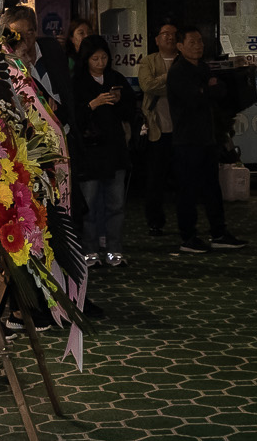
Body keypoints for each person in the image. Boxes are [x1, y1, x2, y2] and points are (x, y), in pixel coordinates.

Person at [165, 27, 246, 253]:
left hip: (207, 137)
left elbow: (221, 91)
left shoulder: (202, 66)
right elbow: (195, 99)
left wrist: (208, 89)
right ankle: (188, 237)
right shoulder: (179, 71)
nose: (198, 45)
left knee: (212, 188)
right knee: (188, 190)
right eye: (192, 42)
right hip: (187, 140)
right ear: (180, 46)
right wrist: (207, 89)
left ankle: (219, 232)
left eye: (200, 41)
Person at [68, 35, 132, 268]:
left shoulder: (116, 79)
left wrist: (119, 100)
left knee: (116, 204)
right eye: (95, 58)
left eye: (104, 57)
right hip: (90, 152)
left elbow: (130, 112)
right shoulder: (78, 83)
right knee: (90, 204)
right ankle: (90, 250)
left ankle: (115, 250)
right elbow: (73, 119)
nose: (100, 62)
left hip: (115, 151)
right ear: (86, 59)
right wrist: (92, 104)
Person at [137, 23, 178, 236]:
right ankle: (155, 222)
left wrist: (166, 82)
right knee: (155, 180)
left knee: (183, 179)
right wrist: (171, 78)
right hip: (157, 129)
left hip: (181, 130)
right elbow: (147, 86)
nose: (170, 38)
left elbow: (186, 87)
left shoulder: (184, 59)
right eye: (165, 34)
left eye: (173, 34)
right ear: (157, 39)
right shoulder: (148, 61)